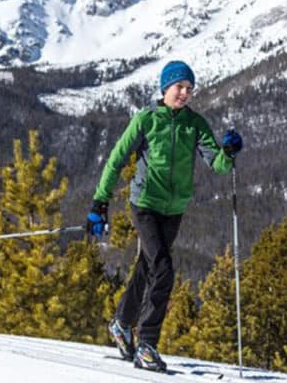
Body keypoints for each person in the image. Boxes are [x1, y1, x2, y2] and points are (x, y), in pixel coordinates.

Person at [87, 60, 243, 372]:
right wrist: (100, 202)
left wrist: (229, 152)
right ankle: (146, 343)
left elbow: (219, 165)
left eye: (189, 88)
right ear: (165, 88)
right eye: (179, 87)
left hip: (174, 209)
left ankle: (121, 323)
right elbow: (116, 160)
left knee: (147, 267)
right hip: (145, 203)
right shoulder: (146, 120)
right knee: (163, 268)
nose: (184, 93)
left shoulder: (194, 124)